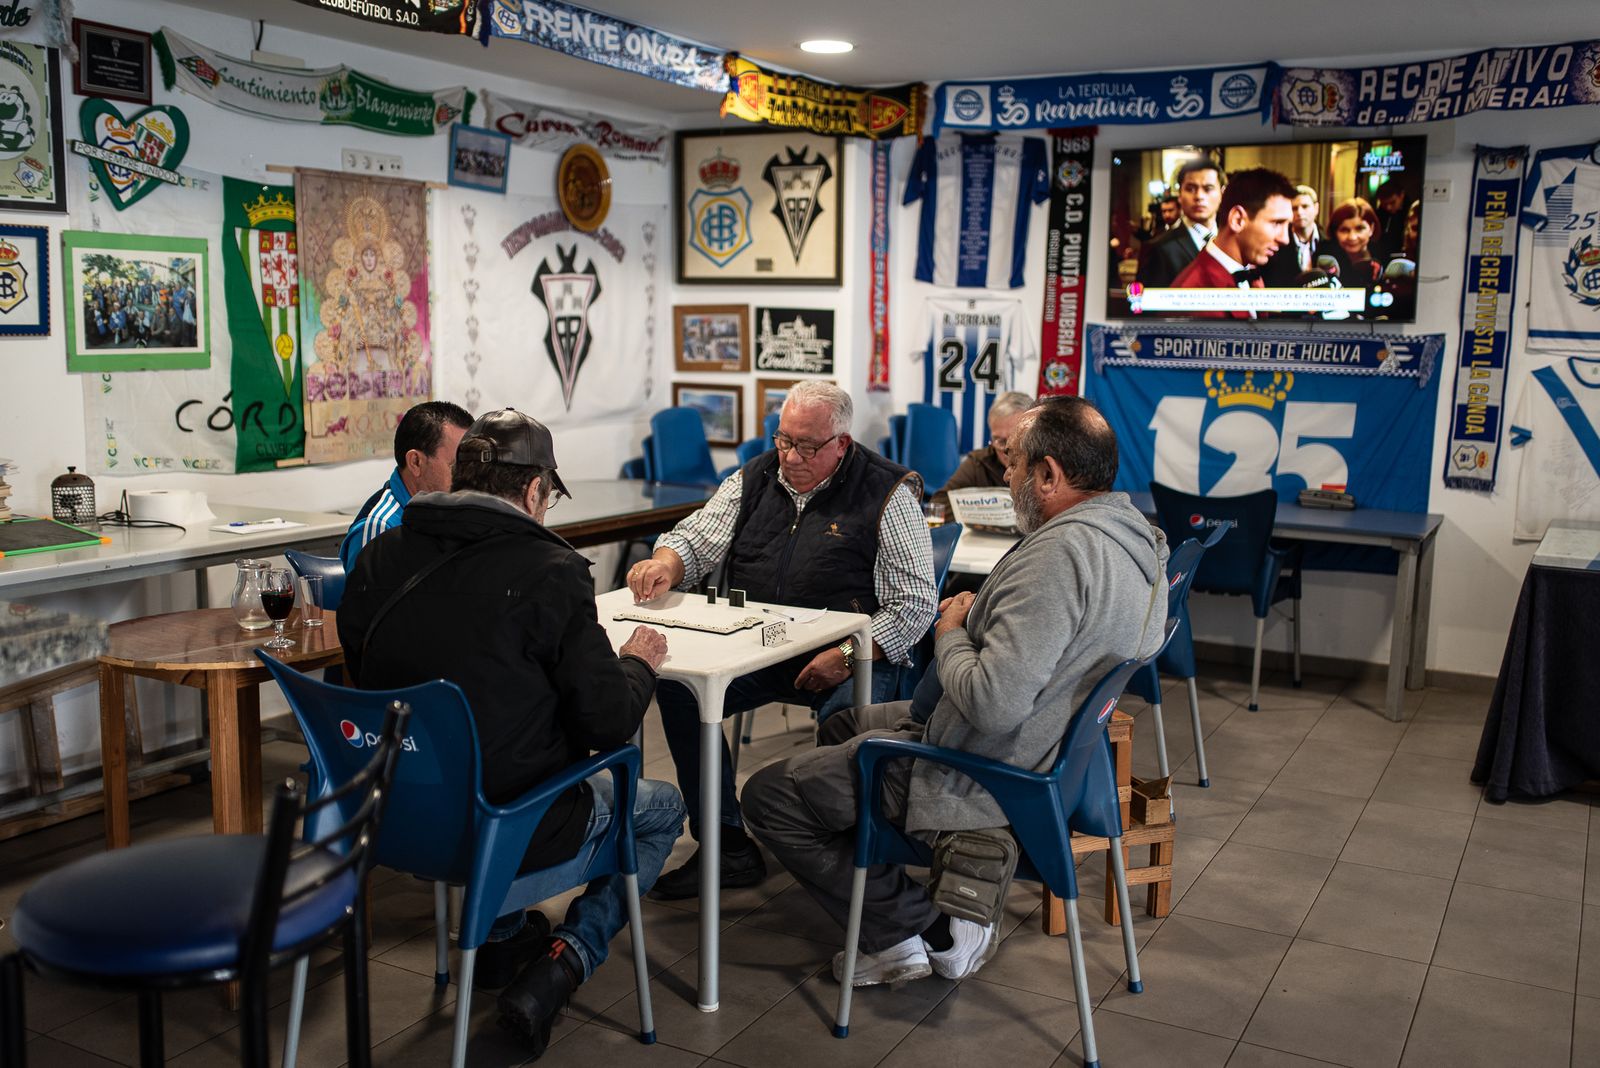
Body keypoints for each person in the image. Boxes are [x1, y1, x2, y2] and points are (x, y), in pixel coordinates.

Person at [741, 396, 1168, 986]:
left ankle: (920, 931)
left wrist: (950, 632)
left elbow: (992, 704)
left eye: (1015, 464)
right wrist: (982, 622)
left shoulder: (1058, 557)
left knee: (767, 796)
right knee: (843, 726)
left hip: (984, 769)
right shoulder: (1135, 544)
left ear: (1050, 475)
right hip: (1050, 759)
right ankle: (906, 886)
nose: (1008, 476)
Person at [337, 408, 686, 1058]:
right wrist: (637, 661)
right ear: (533, 492)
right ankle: (564, 962)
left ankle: (499, 940)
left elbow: (368, 678)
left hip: (395, 815)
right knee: (661, 808)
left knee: (492, 741)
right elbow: (607, 723)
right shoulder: (550, 572)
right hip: (510, 827)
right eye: (548, 498)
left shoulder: (379, 554)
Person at [626, 380, 938, 900]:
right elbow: (696, 538)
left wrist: (847, 654)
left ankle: (839, 861)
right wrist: (664, 563)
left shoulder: (887, 492)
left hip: (855, 657)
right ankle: (726, 844)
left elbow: (913, 605)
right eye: (783, 440)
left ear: (842, 443)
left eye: (808, 446)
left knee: (845, 722)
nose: (791, 456)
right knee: (681, 689)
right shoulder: (754, 478)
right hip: (764, 645)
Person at [339, 400, 473, 571]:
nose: (469, 476)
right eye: (455, 466)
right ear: (415, 462)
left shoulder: (454, 511)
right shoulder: (380, 526)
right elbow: (370, 598)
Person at [1171, 167, 1296, 319]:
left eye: (1288, 225)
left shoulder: (1251, 269)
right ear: (1237, 220)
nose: (1285, 239)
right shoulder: (1191, 300)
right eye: (1277, 223)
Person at [931, 390, 1032, 517]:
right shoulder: (979, 462)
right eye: (999, 441)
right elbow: (939, 504)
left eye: (1014, 439)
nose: (1006, 449)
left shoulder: (1044, 465)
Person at [1136, 158, 1224, 288]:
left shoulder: (1232, 244)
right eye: (1191, 189)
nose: (1199, 196)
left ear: (1222, 193)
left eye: (1208, 188)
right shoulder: (1158, 248)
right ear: (1180, 195)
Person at [1263, 184, 1338, 285]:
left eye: (1305, 206)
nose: (1299, 212)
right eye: (1294, 208)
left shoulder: (1332, 243)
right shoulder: (1277, 244)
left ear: (1316, 208)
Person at [1328, 197, 1384, 286]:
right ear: (1335, 233)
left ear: (1371, 229)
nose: (1352, 237)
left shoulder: (1384, 259)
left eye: (1359, 229)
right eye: (1344, 230)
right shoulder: (1327, 263)